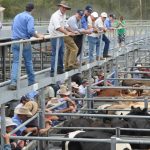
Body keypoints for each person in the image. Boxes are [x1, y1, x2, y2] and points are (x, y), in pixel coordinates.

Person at [8, 3, 44, 90]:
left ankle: (13, 82)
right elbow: (30, 30)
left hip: (15, 41)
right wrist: (38, 36)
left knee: (16, 62)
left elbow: (13, 27)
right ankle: (31, 81)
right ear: (33, 9)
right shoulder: (29, 17)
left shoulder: (17, 16)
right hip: (24, 41)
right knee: (28, 62)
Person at [48, 0, 73, 77]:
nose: (65, 9)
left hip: (61, 36)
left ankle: (60, 69)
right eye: (63, 7)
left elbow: (65, 25)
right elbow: (58, 27)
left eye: (66, 8)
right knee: (55, 54)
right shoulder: (55, 15)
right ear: (60, 7)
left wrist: (72, 31)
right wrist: (67, 33)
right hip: (55, 36)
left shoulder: (64, 15)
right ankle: (53, 71)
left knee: (61, 53)